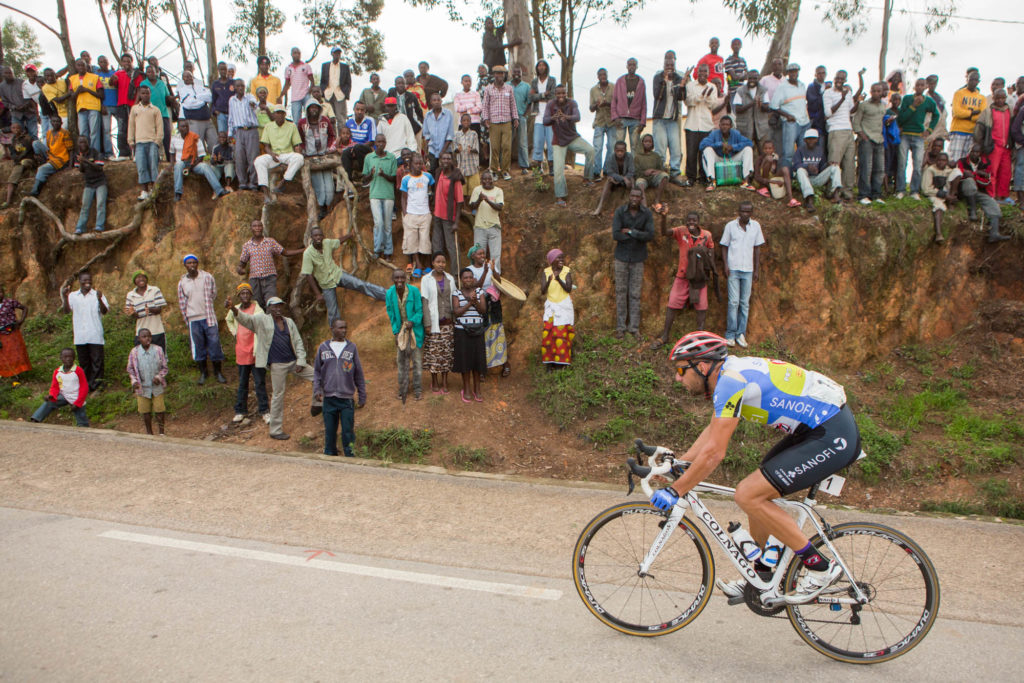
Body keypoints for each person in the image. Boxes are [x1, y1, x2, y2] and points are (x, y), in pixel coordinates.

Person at [652, 331, 858, 601]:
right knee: (758, 488)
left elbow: (715, 453)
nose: (678, 377)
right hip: (816, 430)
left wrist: (676, 490)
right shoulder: (729, 375)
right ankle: (762, 576)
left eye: (681, 369)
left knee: (748, 493)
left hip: (831, 433)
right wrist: (682, 463)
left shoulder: (730, 380)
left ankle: (820, 567)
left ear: (701, 366)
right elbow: (714, 431)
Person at [227, 296, 322, 441]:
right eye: (274, 306)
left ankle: (317, 404)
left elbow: (297, 341)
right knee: (278, 395)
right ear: (269, 308)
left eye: (280, 306)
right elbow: (246, 319)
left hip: (294, 362)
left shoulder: (288, 322)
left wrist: (301, 361)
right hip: (277, 365)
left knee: (317, 377)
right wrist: (233, 308)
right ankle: (275, 430)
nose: (278, 309)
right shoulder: (261, 320)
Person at [651, 208, 717, 350]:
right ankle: (665, 336)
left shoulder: (706, 235)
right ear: (686, 221)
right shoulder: (681, 232)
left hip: (699, 277)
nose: (691, 222)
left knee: (702, 306)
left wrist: (707, 263)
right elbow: (665, 232)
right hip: (683, 275)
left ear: (698, 222)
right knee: (673, 302)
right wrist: (664, 217)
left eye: (694, 220)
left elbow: (711, 249)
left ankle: (699, 339)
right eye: (689, 220)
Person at [298, 226, 387, 326]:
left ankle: (388, 296)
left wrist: (349, 235)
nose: (318, 237)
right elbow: (308, 274)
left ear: (323, 236)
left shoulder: (327, 243)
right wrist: (318, 294)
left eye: (320, 235)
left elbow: (338, 241)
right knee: (333, 312)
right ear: (311, 237)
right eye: (315, 235)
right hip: (326, 284)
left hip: (338, 275)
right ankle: (336, 336)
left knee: (361, 284)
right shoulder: (308, 254)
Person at [313, 318, 366, 455]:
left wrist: (362, 395)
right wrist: (317, 389)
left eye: (345, 328)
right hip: (329, 398)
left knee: (348, 431)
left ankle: (349, 455)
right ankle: (330, 455)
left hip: (346, 398)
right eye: (340, 328)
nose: (344, 330)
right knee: (330, 431)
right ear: (332, 329)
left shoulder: (351, 347)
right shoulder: (323, 347)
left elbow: (358, 373)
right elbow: (317, 371)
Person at [611, 186, 655, 339]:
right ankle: (621, 328)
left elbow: (650, 235)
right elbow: (616, 234)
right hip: (621, 258)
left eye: (638, 196)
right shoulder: (620, 212)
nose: (635, 199)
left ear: (641, 198)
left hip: (638, 259)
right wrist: (638, 236)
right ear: (629, 197)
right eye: (632, 196)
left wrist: (630, 232)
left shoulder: (647, 213)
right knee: (621, 293)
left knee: (635, 294)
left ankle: (634, 328)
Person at [720, 202, 763, 348]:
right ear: (738, 212)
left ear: (752, 212)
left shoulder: (756, 226)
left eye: (748, 211)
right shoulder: (730, 226)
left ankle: (741, 334)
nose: (745, 214)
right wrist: (726, 265)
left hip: (748, 270)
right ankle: (730, 334)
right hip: (733, 268)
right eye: (743, 211)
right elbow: (724, 246)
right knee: (733, 302)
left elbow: (757, 249)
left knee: (744, 303)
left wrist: (756, 269)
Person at [177, 254, 226, 385]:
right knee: (198, 346)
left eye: (194, 263)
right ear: (185, 265)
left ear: (197, 264)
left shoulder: (207, 277)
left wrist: (207, 308)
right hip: (194, 319)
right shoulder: (182, 282)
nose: (192, 265)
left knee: (214, 344)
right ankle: (203, 373)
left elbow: (213, 294)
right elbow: (182, 303)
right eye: (189, 263)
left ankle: (218, 372)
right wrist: (187, 319)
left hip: (208, 316)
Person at [225, 283, 269, 424]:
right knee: (243, 382)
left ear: (251, 295)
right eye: (242, 294)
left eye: (247, 293)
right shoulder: (235, 308)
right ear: (239, 296)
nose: (245, 296)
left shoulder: (257, 309)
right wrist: (235, 332)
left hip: (255, 351)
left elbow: (261, 324)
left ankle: (264, 411)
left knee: (259, 382)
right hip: (242, 351)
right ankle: (240, 410)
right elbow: (229, 320)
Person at [545, 84, 595, 207]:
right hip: (558, 142)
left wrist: (566, 117)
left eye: (563, 93)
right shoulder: (551, 104)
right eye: (558, 94)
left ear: (566, 93)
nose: (561, 96)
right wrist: (553, 117)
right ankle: (560, 196)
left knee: (590, 150)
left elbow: (577, 117)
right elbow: (545, 121)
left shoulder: (572, 103)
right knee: (558, 170)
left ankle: (587, 178)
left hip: (572, 138)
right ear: (555, 94)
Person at [60, 272, 108, 391]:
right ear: (79, 281)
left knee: (97, 362)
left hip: (95, 333)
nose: (87, 282)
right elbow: (66, 311)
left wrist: (100, 299)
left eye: (89, 280)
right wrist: (65, 298)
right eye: (84, 280)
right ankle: (86, 386)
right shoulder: (73, 296)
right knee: (84, 362)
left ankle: (97, 386)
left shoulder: (97, 294)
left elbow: (105, 311)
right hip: (80, 335)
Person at [467, 246, 510, 377]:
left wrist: (492, 270)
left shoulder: (490, 265)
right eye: (479, 254)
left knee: (498, 331)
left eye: (483, 253)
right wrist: (485, 272)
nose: (482, 256)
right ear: (473, 256)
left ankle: (504, 364)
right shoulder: (470, 270)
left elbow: (499, 281)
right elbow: (475, 286)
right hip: (480, 304)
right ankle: (482, 368)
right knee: (482, 335)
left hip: (494, 303)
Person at [952, 145, 1009, 242]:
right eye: (973, 151)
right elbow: (961, 176)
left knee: (992, 204)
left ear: (980, 153)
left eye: (977, 152)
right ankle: (972, 211)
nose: (975, 154)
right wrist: (978, 174)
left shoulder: (986, 163)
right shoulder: (961, 161)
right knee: (969, 182)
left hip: (979, 191)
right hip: (963, 190)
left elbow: (986, 182)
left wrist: (973, 174)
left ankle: (994, 233)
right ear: (970, 151)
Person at [895, 77, 940, 199]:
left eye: (922, 85)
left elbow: (936, 115)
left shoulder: (929, 101)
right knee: (902, 163)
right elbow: (901, 118)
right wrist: (913, 106)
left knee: (918, 164)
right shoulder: (907, 99)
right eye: (917, 85)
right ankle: (900, 189)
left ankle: (914, 191)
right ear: (914, 87)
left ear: (925, 87)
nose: (919, 87)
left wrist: (929, 130)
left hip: (919, 136)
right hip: (905, 134)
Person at [822, 69, 864, 198]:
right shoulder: (828, 93)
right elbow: (828, 113)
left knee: (849, 162)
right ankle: (832, 190)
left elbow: (851, 111)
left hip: (848, 130)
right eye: (837, 78)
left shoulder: (848, 92)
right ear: (834, 79)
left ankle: (847, 190)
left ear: (845, 80)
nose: (839, 81)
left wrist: (858, 102)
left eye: (842, 78)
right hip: (836, 129)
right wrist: (842, 98)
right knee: (835, 162)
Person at [420, 252, 457, 393]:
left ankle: (445, 381)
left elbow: (454, 298)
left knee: (447, 354)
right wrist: (427, 323)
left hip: (448, 323)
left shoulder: (450, 278)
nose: (441, 264)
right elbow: (425, 301)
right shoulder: (426, 279)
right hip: (434, 324)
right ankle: (434, 381)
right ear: (433, 263)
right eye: (438, 262)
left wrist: (455, 319)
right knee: (434, 354)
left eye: (443, 262)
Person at [385, 268, 424, 401]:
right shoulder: (390, 293)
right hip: (401, 332)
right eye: (397, 278)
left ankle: (417, 389)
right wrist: (396, 332)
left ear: (406, 279)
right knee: (401, 362)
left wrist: (412, 321)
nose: (400, 281)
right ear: (393, 279)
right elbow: (391, 314)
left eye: (402, 277)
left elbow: (419, 310)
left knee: (417, 361)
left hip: (415, 331)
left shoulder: (414, 291)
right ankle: (403, 389)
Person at [171, 120, 230, 202]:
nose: (185, 128)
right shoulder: (174, 139)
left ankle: (219, 191)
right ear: (178, 128)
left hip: (194, 163)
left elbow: (201, 156)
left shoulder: (195, 137)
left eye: (187, 126)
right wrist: (171, 165)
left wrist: (191, 166)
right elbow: (172, 153)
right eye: (183, 126)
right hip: (181, 162)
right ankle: (178, 193)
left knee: (205, 166)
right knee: (178, 165)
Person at [452, 266, 488, 403]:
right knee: (465, 360)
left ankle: (477, 388)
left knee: (477, 360)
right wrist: (470, 303)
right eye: (465, 277)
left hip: (477, 330)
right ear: (461, 280)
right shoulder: (456, 293)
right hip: (462, 330)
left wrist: (476, 301)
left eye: (470, 277)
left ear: (474, 279)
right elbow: (457, 312)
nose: (468, 280)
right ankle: (466, 388)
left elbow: (483, 310)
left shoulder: (479, 291)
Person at [255, 105, 304, 205]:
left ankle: (283, 182)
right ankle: (265, 192)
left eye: (282, 113)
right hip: (274, 155)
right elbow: (266, 146)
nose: (280, 115)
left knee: (299, 158)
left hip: (287, 155)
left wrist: (297, 153)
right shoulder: (268, 126)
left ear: (285, 114)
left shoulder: (292, 126)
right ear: (274, 114)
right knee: (259, 161)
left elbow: (296, 145)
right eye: (277, 113)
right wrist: (272, 154)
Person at [296, 100, 337, 217]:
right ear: (308, 109)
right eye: (311, 107)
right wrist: (303, 151)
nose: (313, 109)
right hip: (311, 157)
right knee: (319, 186)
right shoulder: (302, 123)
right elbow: (300, 140)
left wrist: (330, 148)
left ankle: (328, 206)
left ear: (319, 109)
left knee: (329, 186)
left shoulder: (325, 120)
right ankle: (322, 208)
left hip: (325, 156)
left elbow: (332, 135)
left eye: (316, 107)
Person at [30, 348, 89, 427]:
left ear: (74, 358)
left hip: (76, 396)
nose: (68, 359)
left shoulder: (78, 371)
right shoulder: (57, 371)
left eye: (70, 357)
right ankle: (35, 419)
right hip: (64, 395)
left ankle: (83, 428)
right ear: (61, 358)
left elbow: (84, 387)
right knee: (49, 402)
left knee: (82, 420)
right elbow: (55, 386)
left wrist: (78, 403)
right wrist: (51, 395)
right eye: (65, 357)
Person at [683, 64, 720, 185]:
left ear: (708, 73)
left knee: (704, 152)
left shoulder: (712, 87)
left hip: (706, 124)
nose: (702, 74)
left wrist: (707, 97)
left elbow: (713, 105)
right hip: (692, 124)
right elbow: (688, 101)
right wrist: (701, 96)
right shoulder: (690, 85)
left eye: (705, 71)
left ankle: (704, 177)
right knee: (691, 153)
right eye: (700, 71)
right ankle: (691, 177)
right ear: (697, 73)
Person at [126, 328, 168, 435]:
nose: (147, 339)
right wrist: (134, 382)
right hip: (142, 387)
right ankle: (149, 433)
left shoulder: (158, 350)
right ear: (139, 339)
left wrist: (159, 377)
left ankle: (162, 433)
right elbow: (130, 369)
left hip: (157, 387)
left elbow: (164, 368)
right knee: (145, 411)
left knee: (160, 410)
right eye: (144, 337)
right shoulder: (134, 352)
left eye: (149, 336)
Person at [481, 65, 519, 180]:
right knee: (495, 147)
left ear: (504, 75)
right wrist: (486, 118)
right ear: (494, 75)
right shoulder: (488, 89)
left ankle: (505, 171)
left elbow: (513, 104)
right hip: (494, 122)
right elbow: (485, 105)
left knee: (507, 147)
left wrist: (515, 118)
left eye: (501, 74)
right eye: (497, 73)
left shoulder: (509, 89)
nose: (499, 76)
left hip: (507, 121)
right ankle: (493, 170)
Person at [363, 134, 398, 259]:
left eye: (383, 141)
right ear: (375, 143)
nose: (381, 144)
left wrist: (384, 175)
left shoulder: (391, 158)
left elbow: (394, 178)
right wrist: (371, 174)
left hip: (388, 195)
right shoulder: (369, 157)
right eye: (378, 142)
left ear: (386, 143)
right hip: (375, 194)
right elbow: (364, 178)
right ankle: (377, 249)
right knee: (378, 223)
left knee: (387, 224)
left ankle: (388, 251)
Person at [400, 152, 435, 277]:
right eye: (416, 163)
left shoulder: (428, 177)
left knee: (425, 240)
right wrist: (406, 214)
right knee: (412, 241)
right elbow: (403, 198)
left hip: (425, 214)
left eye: (421, 163)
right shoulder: (406, 179)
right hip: (411, 214)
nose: (418, 166)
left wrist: (431, 208)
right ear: (410, 164)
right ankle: (418, 265)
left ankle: (428, 265)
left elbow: (433, 191)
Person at [237, 219, 285, 308]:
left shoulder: (270, 242)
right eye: (255, 226)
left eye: (259, 226)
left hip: (269, 277)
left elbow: (284, 252)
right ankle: (260, 321)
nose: (257, 228)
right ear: (251, 228)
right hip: (255, 280)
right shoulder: (247, 246)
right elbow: (242, 264)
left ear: (262, 228)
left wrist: (303, 250)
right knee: (257, 304)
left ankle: (270, 321)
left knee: (271, 302)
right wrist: (240, 270)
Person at [852, 81, 887, 204]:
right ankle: (863, 195)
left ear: (882, 92)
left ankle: (876, 194)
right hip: (867, 139)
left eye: (879, 91)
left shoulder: (883, 106)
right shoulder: (864, 105)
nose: (876, 93)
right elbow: (856, 122)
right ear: (871, 92)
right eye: (874, 91)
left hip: (879, 139)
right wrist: (862, 135)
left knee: (879, 168)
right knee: (866, 167)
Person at [698, 115, 754, 191]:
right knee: (707, 150)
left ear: (731, 126)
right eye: (723, 124)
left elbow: (749, 142)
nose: (725, 127)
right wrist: (719, 145)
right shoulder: (714, 134)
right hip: (719, 158)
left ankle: (746, 181)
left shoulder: (735, 133)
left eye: (727, 125)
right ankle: (712, 181)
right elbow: (702, 145)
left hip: (732, 158)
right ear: (719, 125)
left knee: (748, 149)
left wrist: (733, 147)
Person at [975, 89, 1013, 201]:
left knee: (1005, 173)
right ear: (993, 98)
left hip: (1006, 147)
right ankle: (991, 195)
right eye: (998, 98)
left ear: (1006, 98)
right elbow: (979, 129)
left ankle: (1002, 196)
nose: (1000, 100)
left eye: (1003, 98)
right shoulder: (988, 112)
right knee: (992, 172)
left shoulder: (1009, 110)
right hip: (993, 147)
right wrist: (982, 145)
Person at [770, 63, 810, 170]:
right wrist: (787, 116)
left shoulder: (802, 85)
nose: (793, 74)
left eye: (795, 71)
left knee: (803, 151)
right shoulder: (782, 87)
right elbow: (773, 106)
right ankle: (788, 178)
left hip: (804, 122)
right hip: (791, 123)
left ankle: (800, 177)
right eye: (791, 72)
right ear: (787, 73)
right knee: (788, 153)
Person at [127, 84, 162, 200]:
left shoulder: (155, 110)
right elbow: (131, 126)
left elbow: (160, 127)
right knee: (141, 166)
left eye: (147, 93)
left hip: (152, 141)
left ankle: (153, 189)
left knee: (153, 165)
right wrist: (131, 140)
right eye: (143, 93)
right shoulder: (135, 109)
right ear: (139, 95)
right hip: (139, 142)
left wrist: (157, 141)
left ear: (150, 94)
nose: (145, 95)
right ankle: (144, 191)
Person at [541, 248, 574, 369]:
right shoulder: (546, 272)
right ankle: (550, 363)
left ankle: (561, 363)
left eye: (562, 257)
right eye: (558, 258)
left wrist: (559, 279)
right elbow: (543, 291)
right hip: (551, 307)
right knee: (549, 334)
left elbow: (569, 289)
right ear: (552, 261)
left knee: (562, 335)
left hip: (564, 306)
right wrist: (550, 280)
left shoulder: (566, 271)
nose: (561, 260)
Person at [432, 151, 464, 275]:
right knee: (437, 244)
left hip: (449, 218)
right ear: (440, 159)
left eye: (448, 159)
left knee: (452, 247)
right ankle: (438, 272)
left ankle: (456, 275)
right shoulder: (438, 172)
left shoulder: (455, 178)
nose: (445, 161)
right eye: (443, 158)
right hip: (437, 215)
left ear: (451, 161)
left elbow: (460, 202)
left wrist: (456, 222)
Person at [793, 129, 840, 211]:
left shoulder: (820, 150)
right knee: (800, 170)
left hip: (817, 179)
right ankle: (809, 199)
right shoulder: (800, 150)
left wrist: (828, 165)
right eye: (809, 139)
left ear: (817, 139)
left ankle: (835, 194)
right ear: (805, 140)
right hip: (805, 180)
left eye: (813, 138)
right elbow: (795, 165)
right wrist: (807, 166)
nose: (811, 141)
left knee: (835, 167)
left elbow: (822, 167)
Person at [652, 60, 684, 182]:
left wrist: (681, 86)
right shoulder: (657, 78)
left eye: (672, 66)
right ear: (663, 66)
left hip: (672, 119)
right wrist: (664, 82)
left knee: (675, 148)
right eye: (667, 66)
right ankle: (660, 173)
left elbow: (681, 97)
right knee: (660, 149)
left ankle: (675, 173)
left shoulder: (678, 78)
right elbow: (657, 96)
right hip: (660, 118)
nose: (669, 68)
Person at [468, 170, 505, 272]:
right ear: (481, 180)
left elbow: (499, 207)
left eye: (489, 179)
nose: (487, 181)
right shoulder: (477, 190)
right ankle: (479, 277)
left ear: (493, 180)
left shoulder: (498, 191)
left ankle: (496, 279)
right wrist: (479, 199)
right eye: (484, 179)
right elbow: (471, 206)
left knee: (495, 255)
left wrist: (488, 200)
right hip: (480, 227)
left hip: (494, 227)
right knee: (478, 255)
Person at [28, 115, 73, 197]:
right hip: (51, 155)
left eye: (57, 121)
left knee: (41, 169)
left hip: (60, 159)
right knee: (36, 143)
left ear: (61, 123)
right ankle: (41, 161)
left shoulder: (65, 133)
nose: (55, 123)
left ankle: (35, 192)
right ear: (51, 122)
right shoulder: (49, 132)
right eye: (54, 121)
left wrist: (70, 165)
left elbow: (70, 150)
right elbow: (48, 147)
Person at [108, 54, 143, 160]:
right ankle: (123, 153)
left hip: (132, 105)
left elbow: (139, 89)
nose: (126, 63)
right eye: (124, 61)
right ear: (121, 63)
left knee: (135, 129)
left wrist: (135, 104)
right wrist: (112, 78)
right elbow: (112, 84)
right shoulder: (118, 73)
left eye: (128, 61)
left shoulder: (136, 74)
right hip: (121, 105)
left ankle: (137, 153)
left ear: (132, 62)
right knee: (122, 129)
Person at [67, 59, 104, 155]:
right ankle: (85, 154)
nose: (80, 67)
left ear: (86, 66)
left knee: (94, 132)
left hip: (93, 107)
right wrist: (78, 91)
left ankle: (95, 154)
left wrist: (87, 90)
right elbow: (71, 96)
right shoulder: (72, 78)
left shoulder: (94, 77)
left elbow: (101, 95)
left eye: (82, 65)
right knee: (83, 133)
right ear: (76, 67)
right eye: (78, 65)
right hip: (81, 108)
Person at [949, 68, 986, 163]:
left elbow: (982, 116)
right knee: (954, 160)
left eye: (975, 80)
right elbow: (957, 112)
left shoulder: (982, 98)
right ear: (967, 80)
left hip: (972, 132)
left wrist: (966, 115)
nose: (973, 82)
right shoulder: (959, 93)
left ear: (978, 81)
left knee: (967, 162)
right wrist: (972, 113)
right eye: (971, 79)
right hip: (958, 131)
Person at [124, 270, 167, 351]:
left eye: (143, 277)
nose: (141, 279)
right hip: (141, 333)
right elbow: (134, 316)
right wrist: (132, 313)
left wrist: (150, 309)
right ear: (134, 281)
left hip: (156, 331)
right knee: (142, 357)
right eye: (138, 277)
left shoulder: (154, 290)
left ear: (147, 279)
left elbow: (159, 309)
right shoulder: (130, 295)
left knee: (159, 358)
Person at [611, 58, 647, 154]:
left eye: (634, 65)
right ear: (627, 66)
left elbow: (644, 102)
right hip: (621, 119)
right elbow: (614, 100)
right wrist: (615, 117)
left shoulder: (641, 82)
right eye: (630, 64)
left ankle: (633, 168)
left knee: (635, 147)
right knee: (619, 146)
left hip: (635, 119)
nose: (631, 67)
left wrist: (643, 122)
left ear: (637, 67)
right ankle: (618, 168)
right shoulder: (620, 81)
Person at [920, 152, 958, 243]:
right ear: (936, 161)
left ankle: (951, 202)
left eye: (944, 160)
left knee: (957, 173)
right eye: (939, 160)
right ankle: (938, 233)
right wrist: (943, 195)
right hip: (934, 194)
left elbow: (958, 174)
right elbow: (926, 189)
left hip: (946, 193)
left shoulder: (948, 170)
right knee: (938, 206)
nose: (941, 162)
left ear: (947, 162)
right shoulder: (930, 170)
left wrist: (951, 195)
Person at [592, 140, 634, 215]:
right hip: (616, 180)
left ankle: (633, 206)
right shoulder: (611, 157)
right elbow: (610, 172)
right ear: (615, 150)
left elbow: (631, 171)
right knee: (609, 181)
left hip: (627, 180)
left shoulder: (629, 156)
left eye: (622, 151)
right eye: (618, 151)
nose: (620, 153)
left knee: (633, 180)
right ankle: (600, 206)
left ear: (625, 150)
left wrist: (625, 179)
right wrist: (622, 179)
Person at [530, 60, 557, 172]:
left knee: (551, 143)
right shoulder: (534, 81)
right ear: (537, 68)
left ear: (546, 67)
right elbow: (531, 97)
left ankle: (551, 167)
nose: (541, 67)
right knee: (538, 142)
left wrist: (539, 96)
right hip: (538, 115)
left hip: (550, 115)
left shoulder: (552, 80)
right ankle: (538, 167)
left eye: (543, 65)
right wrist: (542, 94)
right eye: (539, 65)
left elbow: (552, 96)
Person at [2, 122, 37, 209]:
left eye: (17, 128)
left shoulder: (27, 138)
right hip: (18, 162)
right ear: (11, 129)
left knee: (24, 162)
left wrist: (18, 158)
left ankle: (32, 170)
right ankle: (8, 201)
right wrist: (15, 158)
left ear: (21, 129)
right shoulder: (13, 140)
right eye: (13, 128)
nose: (16, 130)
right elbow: (12, 153)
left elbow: (26, 151)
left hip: (29, 160)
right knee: (11, 180)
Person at [0, 283, 31, 380]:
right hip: (1, 334)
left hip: (12, 332)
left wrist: (21, 321)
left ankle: (17, 375)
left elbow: (24, 308)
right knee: (4, 354)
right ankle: (7, 373)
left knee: (15, 353)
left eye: (0, 292)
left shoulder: (9, 302)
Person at [732, 70, 770, 148]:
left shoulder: (763, 90)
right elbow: (737, 110)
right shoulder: (740, 91)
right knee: (746, 151)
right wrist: (751, 104)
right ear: (747, 78)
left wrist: (760, 105)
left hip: (760, 128)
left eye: (754, 78)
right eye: (750, 78)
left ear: (758, 78)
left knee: (762, 151)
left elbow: (767, 108)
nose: (752, 80)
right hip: (745, 128)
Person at [590, 68, 615, 182]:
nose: (603, 76)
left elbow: (618, 103)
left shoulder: (614, 87)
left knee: (611, 147)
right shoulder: (593, 90)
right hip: (599, 121)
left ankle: (606, 170)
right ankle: (596, 172)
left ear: (607, 75)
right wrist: (596, 104)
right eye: (601, 75)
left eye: (604, 74)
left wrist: (607, 103)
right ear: (597, 76)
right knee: (597, 147)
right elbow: (591, 108)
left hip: (611, 121)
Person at [752, 139, 796, 205]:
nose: (767, 150)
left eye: (770, 148)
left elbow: (774, 173)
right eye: (765, 149)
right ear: (763, 150)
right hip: (761, 182)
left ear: (773, 149)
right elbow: (757, 177)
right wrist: (774, 182)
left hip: (770, 179)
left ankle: (790, 198)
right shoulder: (759, 159)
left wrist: (776, 163)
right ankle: (762, 188)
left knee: (785, 169)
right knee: (769, 159)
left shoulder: (775, 158)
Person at [422, 92, 455, 174]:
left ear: (441, 101)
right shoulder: (428, 115)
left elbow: (450, 135)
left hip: (446, 151)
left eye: (438, 100)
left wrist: (443, 151)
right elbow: (426, 135)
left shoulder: (448, 114)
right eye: (434, 100)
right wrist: (426, 152)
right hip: (432, 151)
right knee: (433, 173)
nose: (436, 102)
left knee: (447, 174)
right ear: (431, 102)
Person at [342, 101, 375, 182]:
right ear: (354, 109)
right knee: (345, 153)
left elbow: (372, 141)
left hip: (367, 148)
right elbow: (346, 137)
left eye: (362, 110)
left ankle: (365, 175)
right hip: (353, 147)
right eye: (357, 109)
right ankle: (349, 181)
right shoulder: (349, 122)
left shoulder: (370, 121)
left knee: (358, 147)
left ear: (365, 111)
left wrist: (355, 148)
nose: (359, 112)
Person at [0, 65, 36, 138]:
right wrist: (15, 107)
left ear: (13, 73)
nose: (8, 75)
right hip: (16, 113)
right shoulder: (1, 86)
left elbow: (31, 97)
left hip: (29, 112)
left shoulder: (22, 82)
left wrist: (25, 105)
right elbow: (5, 102)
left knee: (33, 135)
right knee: (17, 136)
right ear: (2, 74)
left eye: (10, 73)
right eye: (6, 73)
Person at [634, 134, 669, 206]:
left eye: (650, 141)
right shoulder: (637, 157)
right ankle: (644, 205)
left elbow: (662, 169)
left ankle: (657, 200)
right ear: (642, 143)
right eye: (645, 141)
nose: (648, 143)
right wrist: (644, 172)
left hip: (653, 177)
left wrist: (654, 171)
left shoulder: (656, 156)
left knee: (665, 177)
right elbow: (635, 172)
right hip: (642, 178)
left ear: (652, 143)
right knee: (639, 183)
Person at [320, 46, 352, 123]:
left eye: (339, 53)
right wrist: (324, 91)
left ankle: (342, 135)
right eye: (335, 53)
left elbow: (348, 82)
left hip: (340, 95)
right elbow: (322, 80)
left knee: (341, 118)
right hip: (328, 94)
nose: (337, 55)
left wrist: (345, 93)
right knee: (328, 118)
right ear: (332, 54)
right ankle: (332, 135)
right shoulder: (325, 66)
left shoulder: (345, 67)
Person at [454, 112, 482, 196]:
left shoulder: (474, 134)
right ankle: (464, 207)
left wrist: (471, 150)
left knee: (474, 190)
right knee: (463, 191)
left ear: (470, 122)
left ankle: (473, 207)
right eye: (464, 120)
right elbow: (454, 150)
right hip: (462, 167)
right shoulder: (457, 135)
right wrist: (458, 150)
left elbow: (477, 149)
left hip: (472, 166)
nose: (466, 122)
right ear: (461, 122)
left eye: (468, 121)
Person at [210, 61, 234, 135]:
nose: (223, 71)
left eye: (225, 69)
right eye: (221, 69)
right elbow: (213, 99)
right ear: (218, 70)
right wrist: (215, 111)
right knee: (222, 135)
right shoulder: (215, 84)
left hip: (232, 114)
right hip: (221, 114)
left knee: (232, 135)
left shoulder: (233, 82)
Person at [806, 66, 828, 145]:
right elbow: (813, 104)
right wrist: (824, 93)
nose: (821, 75)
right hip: (816, 123)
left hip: (827, 124)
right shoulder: (811, 87)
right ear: (815, 75)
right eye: (819, 73)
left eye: (823, 73)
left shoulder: (829, 85)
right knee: (819, 148)